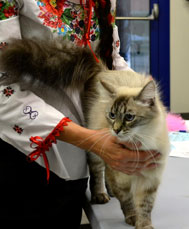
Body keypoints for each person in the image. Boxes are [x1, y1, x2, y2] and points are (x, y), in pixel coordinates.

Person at [0, 0, 160, 227]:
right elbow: (3, 89)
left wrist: (148, 105)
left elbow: (109, 62)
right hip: (24, 158)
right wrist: (92, 141)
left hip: (79, 157)